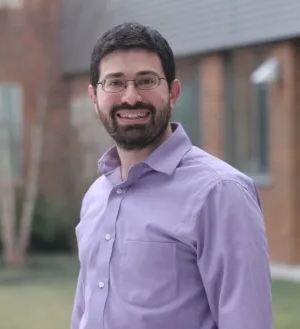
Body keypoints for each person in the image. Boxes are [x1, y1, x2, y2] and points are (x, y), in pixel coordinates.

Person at [71, 22, 273, 329]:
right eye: (114, 82)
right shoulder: (97, 196)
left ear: (173, 92)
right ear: (94, 97)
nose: (130, 97)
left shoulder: (220, 193)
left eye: (146, 81)